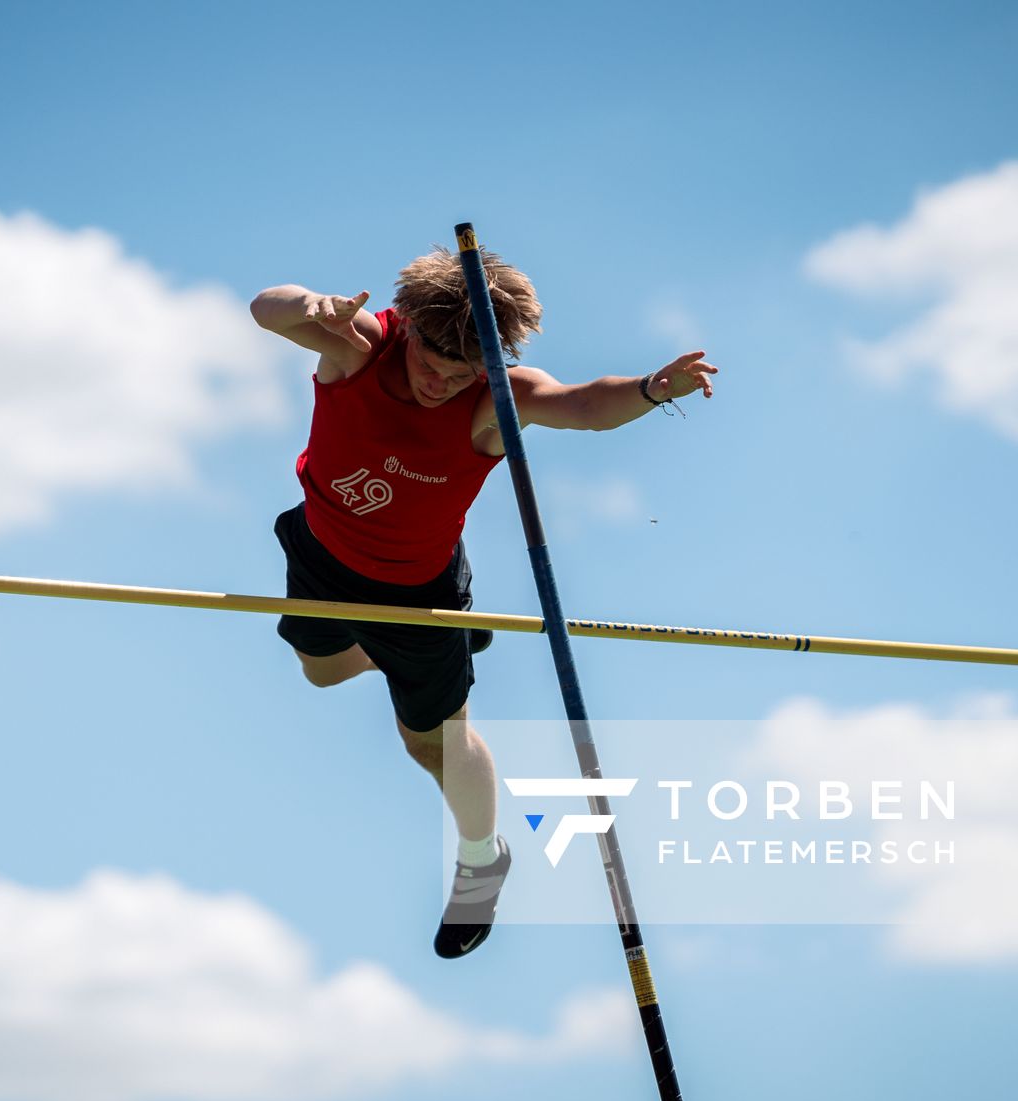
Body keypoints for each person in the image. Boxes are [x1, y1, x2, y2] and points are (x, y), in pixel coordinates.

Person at [250, 246, 717, 958]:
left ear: (489, 367)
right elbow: (266, 308)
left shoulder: (500, 397)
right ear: (406, 326)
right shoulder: (359, 345)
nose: (440, 381)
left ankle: (481, 860)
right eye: (431, 362)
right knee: (323, 671)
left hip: (418, 592)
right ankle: (446, 654)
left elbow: (586, 406)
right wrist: (308, 304)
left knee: (429, 744)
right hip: (320, 552)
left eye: (462, 372)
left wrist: (652, 388)